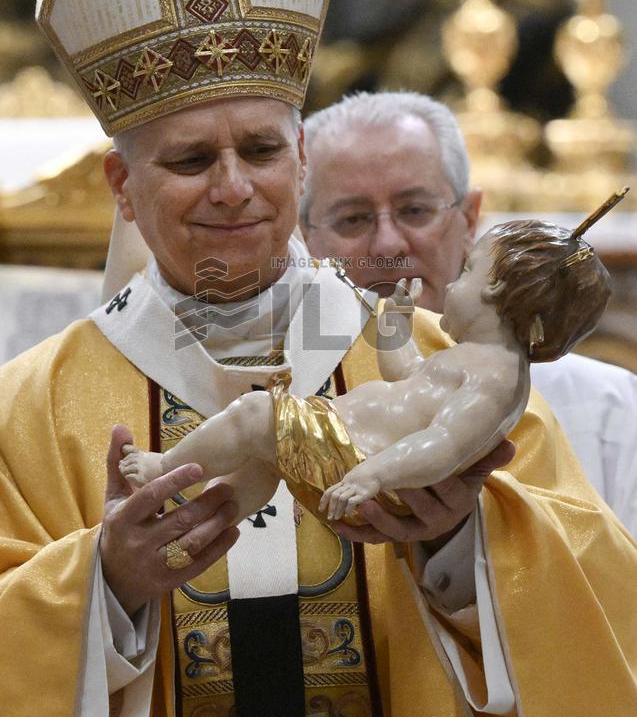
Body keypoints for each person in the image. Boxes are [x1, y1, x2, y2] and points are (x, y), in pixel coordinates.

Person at [0, 0, 635, 717]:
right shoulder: (16, 418)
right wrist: (103, 583)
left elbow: (600, 619)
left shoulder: (443, 368)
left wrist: (456, 550)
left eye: (261, 150)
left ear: (302, 163)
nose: (233, 189)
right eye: (190, 160)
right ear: (120, 185)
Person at [119, 216, 613, 526]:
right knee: (262, 461)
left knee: (253, 415)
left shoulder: (496, 377)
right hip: (349, 449)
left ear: (502, 295)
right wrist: (395, 325)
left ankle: (164, 468)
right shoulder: (473, 360)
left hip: (359, 462)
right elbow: (407, 376)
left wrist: (371, 476)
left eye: (467, 272)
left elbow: (445, 444)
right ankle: (202, 523)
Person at [301, 90, 637, 537]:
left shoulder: (606, 409)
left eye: (415, 211)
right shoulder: (283, 394)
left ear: (470, 220)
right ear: (304, 238)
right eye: (352, 219)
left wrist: (459, 546)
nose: (388, 245)